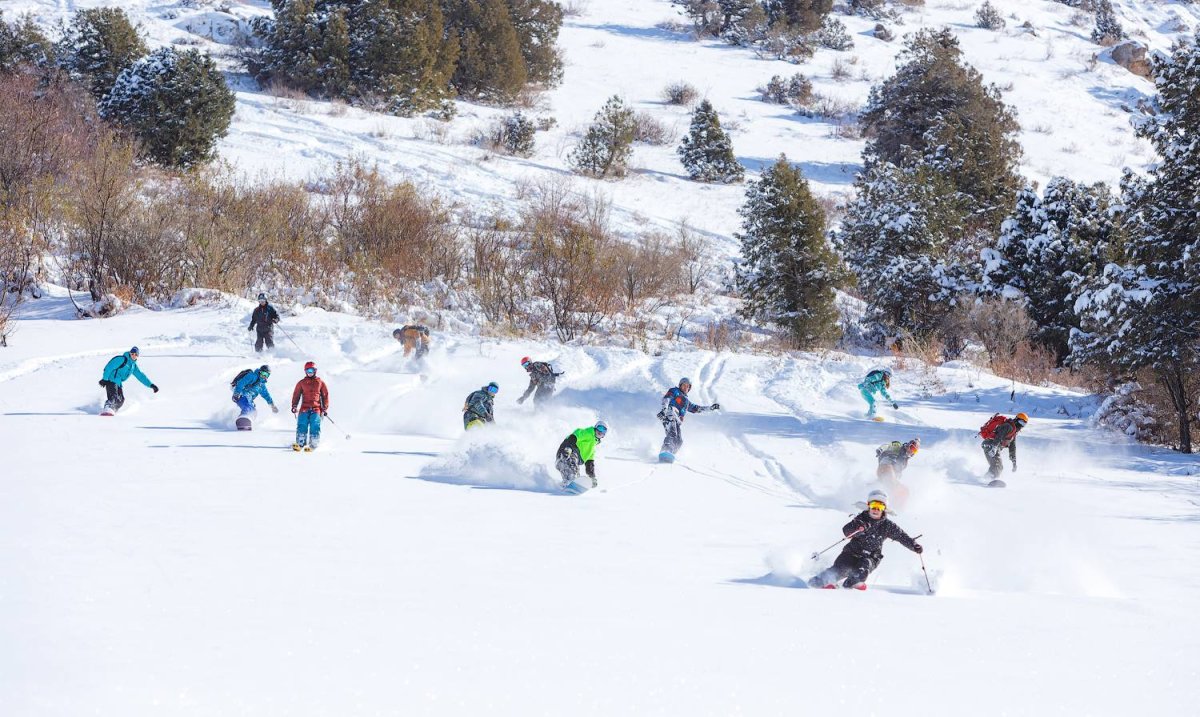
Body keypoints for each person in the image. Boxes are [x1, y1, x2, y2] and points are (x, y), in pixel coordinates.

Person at [808, 490, 922, 590]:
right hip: (851, 553)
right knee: (841, 568)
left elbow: (901, 536)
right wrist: (857, 528)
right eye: (874, 505)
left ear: (884, 509)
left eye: (880, 507)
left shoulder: (887, 525)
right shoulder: (861, 519)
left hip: (871, 557)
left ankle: (850, 585)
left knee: (863, 569)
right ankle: (818, 582)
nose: (876, 509)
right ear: (869, 506)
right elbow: (846, 531)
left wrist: (913, 545)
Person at [657, 377, 719, 461]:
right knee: (672, 433)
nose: (686, 387)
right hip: (669, 414)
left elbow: (697, 408)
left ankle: (669, 454)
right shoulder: (675, 391)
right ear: (680, 385)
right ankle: (666, 450)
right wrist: (664, 410)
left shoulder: (686, 402)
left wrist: (710, 408)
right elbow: (666, 399)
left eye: (688, 386)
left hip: (677, 421)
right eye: (684, 385)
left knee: (679, 441)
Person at [98, 346, 158, 414]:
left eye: (135, 354)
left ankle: (112, 410)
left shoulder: (133, 366)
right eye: (132, 353)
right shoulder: (122, 359)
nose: (133, 355)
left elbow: (141, 376)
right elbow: (109, 367)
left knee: (121, 400)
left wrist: (151, 385)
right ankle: (108, 407)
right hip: (111, 380)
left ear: (137, 356)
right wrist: (104, 379)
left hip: (118, 383)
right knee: (113, 397)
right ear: (130, 353)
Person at [555, 420, 608, 489]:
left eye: (604, 431)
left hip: (563, 461)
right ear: (595, 428)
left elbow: (589, 464)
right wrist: (568, 448)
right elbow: (575, 435)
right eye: (600, 428)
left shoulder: (592, 448)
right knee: (573, 465)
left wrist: (592, 477)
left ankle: (566, 485)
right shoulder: (588, 433)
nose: (601, 432)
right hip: (566, 453)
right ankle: (570, 480)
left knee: (575, 474)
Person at [291, 361, 329, 451]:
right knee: (302, 423)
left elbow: (325, 395)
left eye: (311, 370)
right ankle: (300, 443)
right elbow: (296, 395)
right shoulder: (301, 383)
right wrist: (294, 406)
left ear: (315, 371)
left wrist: (325, 408)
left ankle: (313, 444)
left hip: (316, 408)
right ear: (305, 371)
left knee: (315, 424)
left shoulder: (320, 382)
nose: (310, 372)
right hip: (304, 407)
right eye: (308, 370)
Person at [980, 412, 1028, 481]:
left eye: (1024, 424)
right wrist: (994, 447)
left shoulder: (1013, 432)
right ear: (1017, 420)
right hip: (990, 445)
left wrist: (1014, 462)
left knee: (999, 467)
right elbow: (999, 436)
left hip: (992, 447)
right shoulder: (1008, 426)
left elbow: (1012, 447)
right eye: (1021, 422)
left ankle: (988, 479)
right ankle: (987, 480)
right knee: (997, 466)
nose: (1022, 425)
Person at [875, 438, 919, 508]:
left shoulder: (905, 460)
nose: (912, 451)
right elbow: (887, 446)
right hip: (886, 465)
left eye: (915, 451)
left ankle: (897, 507)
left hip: (890, 474)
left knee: (904, 490)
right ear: (908, 445)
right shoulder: (898, 446)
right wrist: (880, 449)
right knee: (891, 480)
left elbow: (898, 471)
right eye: (912, 448)